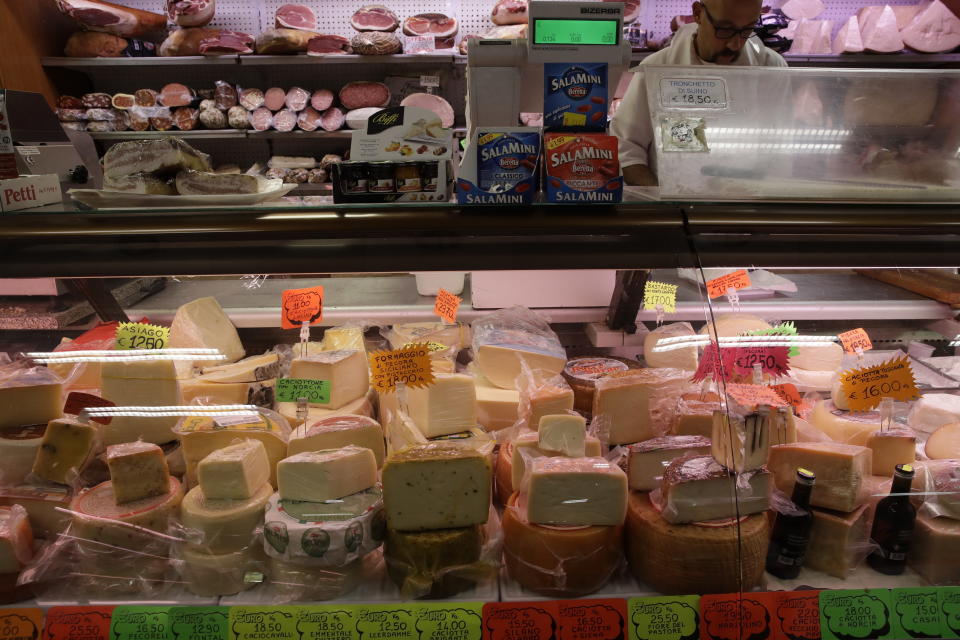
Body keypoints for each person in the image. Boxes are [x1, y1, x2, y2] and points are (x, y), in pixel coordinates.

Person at [611, 0, 788, 186]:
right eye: (724, 29)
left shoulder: (772, 68)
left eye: (746, 31)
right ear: (698, 13)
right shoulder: (658, 68)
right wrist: (662, 202)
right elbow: (627, 148)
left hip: (748, 202)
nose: (735, 44)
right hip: (675, 205)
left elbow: (782, 150)